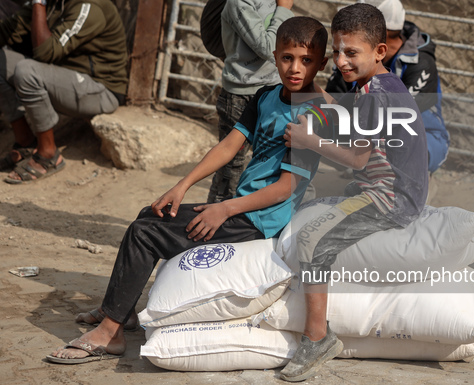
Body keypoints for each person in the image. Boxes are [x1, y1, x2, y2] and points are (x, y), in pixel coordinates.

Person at [46, 15, 331, 365]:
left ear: (322, 63)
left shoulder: (315, 114)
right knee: (151, 214)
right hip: (240, 207)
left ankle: (110, 332)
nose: (295, 68)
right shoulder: (266, 96)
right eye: (287, 57)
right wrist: (181, 186)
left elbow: (284, 189)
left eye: (307, 60)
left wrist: (225, 209)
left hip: (258, 220)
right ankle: (123, 313)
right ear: (274, 55)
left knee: (144, 233)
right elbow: (229, 146)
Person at [280, 3, 429, 381]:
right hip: (384, 187)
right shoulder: (376, 85)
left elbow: (359, 159)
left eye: (351, 53)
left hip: (390, 199)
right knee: (312, 212)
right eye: (337, 51)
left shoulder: (376, 94)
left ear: (380, 52)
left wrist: (308, 140)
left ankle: (318, 337)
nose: (341, 61)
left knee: (312, 240)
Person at [0, 0, 128, 183]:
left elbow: (44, 52)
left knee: (27, 71)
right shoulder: (55, 2)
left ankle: (48, 154)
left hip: (100, 90)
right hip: (65, 80)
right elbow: (6, 31)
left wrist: (38, 3)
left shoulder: (90, 6)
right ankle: (26, 143)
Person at [326, 0, 449, 174]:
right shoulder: (351, 59)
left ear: (379, 35)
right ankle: (367, 175)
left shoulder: (421, 63)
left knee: (396, 145)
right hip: (366, 128)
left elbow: (399, 117)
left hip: (421, 136)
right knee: (322, 130)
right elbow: (336, 102)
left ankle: (411, 183)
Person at [207, 0, 294, 203]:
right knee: (230, 168)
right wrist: (283, 9)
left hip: (273, 92)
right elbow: (268, 48)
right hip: (241, 95)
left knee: (272, 161)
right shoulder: (240, 2)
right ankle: (214, 220)